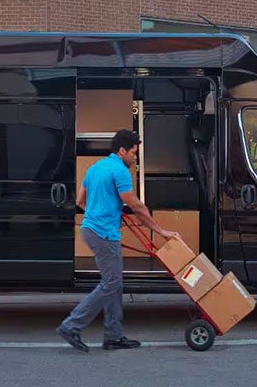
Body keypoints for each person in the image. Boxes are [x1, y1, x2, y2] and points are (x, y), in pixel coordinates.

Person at [56, 129, 181, 352]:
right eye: (134, 152)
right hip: (104, 233)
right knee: (111, 283)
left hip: (91, 228)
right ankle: (71, 325)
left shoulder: (95, 168)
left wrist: (102, 212)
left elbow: (81, 201)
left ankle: (113, 336)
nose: (135, 157)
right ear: (122, 151)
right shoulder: (119, 171)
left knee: (115, 283)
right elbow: (135, 205)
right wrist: (161, 232)